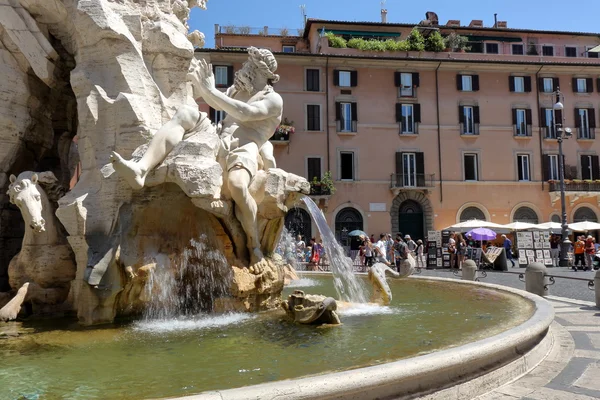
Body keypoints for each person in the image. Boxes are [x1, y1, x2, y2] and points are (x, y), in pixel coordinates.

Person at [110, 47, 283, 273]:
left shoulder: (273, 100)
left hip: (245, 148)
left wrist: (208, 88)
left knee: (238, 185)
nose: (244, 69)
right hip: (218, 138)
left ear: (261, 70)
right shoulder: (236, 90)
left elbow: (245, 113)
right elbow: (208, 99)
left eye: (249, 66)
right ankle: (141, 169)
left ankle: (254, 244)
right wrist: (191, 78)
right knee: (185, 113)